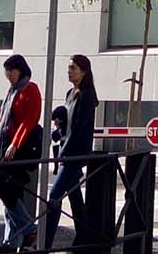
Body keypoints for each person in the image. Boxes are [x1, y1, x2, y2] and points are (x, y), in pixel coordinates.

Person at [0, 55, 43, 252]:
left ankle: (28, 230)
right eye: (6, 70)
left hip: (20, 150)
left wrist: (15, 144)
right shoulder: (11, 91)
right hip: (3, 147)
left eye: (11, 70)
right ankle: (14, 241)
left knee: (6, 190)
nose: (8, 74)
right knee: (9, 193)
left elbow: (29, 120)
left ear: (20, 70)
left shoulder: (30, 89)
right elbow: (1, 120)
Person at [42, 55, 99, 249]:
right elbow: (68, 124)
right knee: (75, 199)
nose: (69, 70)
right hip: (67, 150)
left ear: (83, 71)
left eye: (73, 68)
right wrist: (56, 133)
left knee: (54, 196)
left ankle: (45, 244)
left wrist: (64, 152)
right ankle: (84, 239)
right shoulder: (70, 93)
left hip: (75, 154)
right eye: (69, 67)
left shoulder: (87, 95)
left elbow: (80, 128)